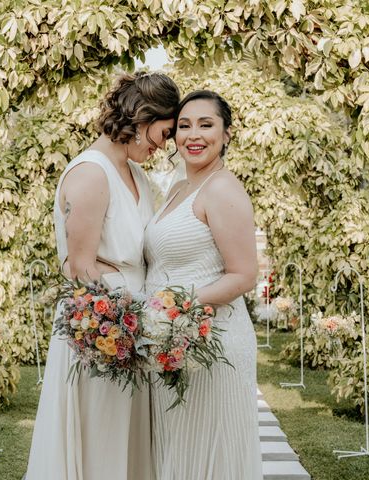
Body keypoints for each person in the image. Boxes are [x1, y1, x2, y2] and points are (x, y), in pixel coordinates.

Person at [24, 72, 180, 480]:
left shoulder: (139, 176)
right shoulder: (91, 173)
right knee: (101, 439)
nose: (163, 146)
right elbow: (81, 268)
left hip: (135, 327)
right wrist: (117, 326)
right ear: (142, 118)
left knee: (128, 443)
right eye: (163, 134)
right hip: (100, 333)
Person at [144, 90, 262, 479]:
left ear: (226, 134)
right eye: (184, 126)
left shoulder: (223, 188)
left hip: (215, 345)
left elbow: (244, 275)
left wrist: (173, 306)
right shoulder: (178, 189)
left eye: (206, 125)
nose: (194, 135)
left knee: (211, 451)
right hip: (174, 342)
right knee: (180, 451)